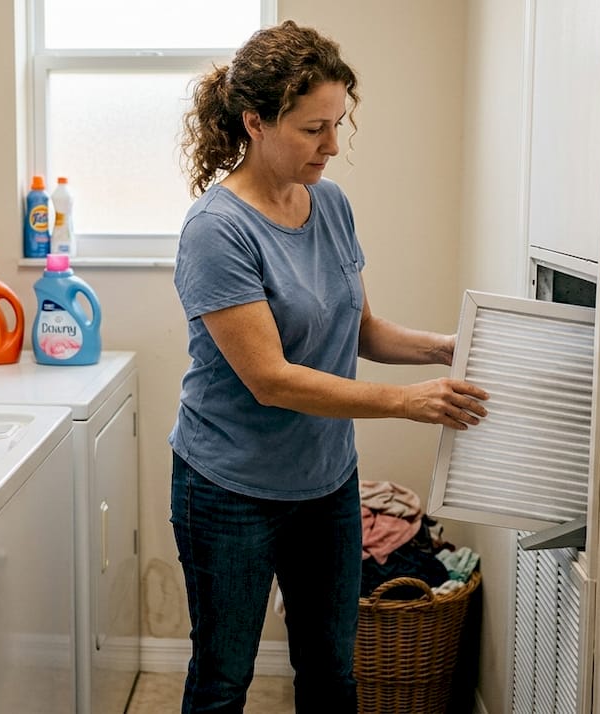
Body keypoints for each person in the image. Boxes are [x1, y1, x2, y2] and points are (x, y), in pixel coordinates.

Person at [168, 20, 490, 714]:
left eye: (338, 124)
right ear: (255, 121)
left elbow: (363, 328)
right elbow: (272, 379)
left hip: (324, 484)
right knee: (225, 678)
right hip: (228, 489)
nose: (333, 146)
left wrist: (450, 348)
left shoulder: (332, 205)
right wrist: (407, 403)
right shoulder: (216, 231)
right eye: (314, 128)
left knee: (332, 673)